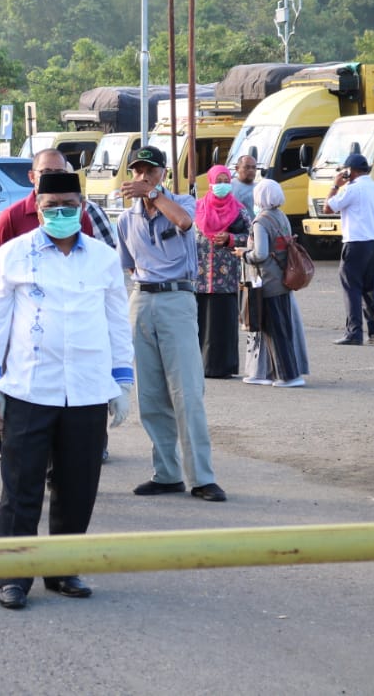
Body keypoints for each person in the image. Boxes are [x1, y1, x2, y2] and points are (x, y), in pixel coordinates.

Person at [0, 171, 134, 610]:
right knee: (20, 488)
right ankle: (13, 576)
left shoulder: (103, 258)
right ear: (37, 206)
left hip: (87, 390)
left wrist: (122, 382)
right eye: (52, 207)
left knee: (77, 486)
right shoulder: (13, 253)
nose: (61, 213)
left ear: (82, 206)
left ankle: (63, 568)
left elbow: (117, 321)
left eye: (69, 205)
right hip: (29, 387)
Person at [116, 146, 226, 503]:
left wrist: (153, 194)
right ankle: (166, 473)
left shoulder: (182, 202)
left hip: (176, 298)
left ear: (163, 173)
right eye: (137, 171)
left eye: (150, 171)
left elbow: (184, 223)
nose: (142, 177)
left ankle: (202, 477)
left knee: (187, 393)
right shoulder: (126, 219)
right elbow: (129, 264)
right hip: (141, 298)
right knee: (150, 395)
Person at [237, 180, 308, 387]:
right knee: (279, 328)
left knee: (275, 331)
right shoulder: (281, 216)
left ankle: (288, 376)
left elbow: (260, 254)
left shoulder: (260, 222)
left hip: (267, 282)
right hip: (282, 280)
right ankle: (268, 373)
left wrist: (244, 254)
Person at [194, 165, 251, 378]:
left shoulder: (239, 211)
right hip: (200, 277)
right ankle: (199, 366)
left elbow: (253, 237)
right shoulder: (198, 208)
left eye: (226, 181)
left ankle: (223, 367)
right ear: (210, 182)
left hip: (226, 278)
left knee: (223, 323)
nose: (222, 185)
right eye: (218, 181)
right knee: (200, 323)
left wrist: (231, 239)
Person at [0, 150, 102, 251]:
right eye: (46, 172)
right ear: (32, 176)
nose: (53, 177)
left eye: (59, 172)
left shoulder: (75, 214)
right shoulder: (10, 218)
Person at [324, 152, 374, 345]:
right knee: (370, 288)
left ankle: (354, 332)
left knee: (352, 288)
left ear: (351, 171)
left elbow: (327, 208)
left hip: (357, 243)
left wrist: (335, 185)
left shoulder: (352, 189)